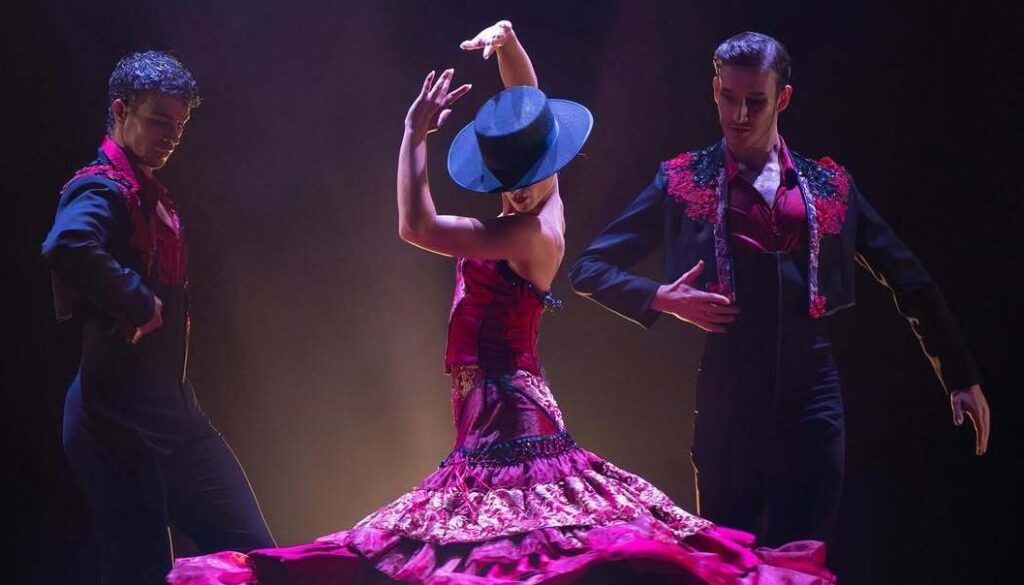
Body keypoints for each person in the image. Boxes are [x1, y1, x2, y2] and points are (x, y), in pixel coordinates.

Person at [169, 22, 833, 584]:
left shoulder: (524, 233)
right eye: (509, 180)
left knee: (498, 552)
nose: (515, 190)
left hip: (507, 413)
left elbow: (415, 226)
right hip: (496, 405)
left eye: (522, 177)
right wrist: (508, 40)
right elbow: (528, 100)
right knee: (498, 551)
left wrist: (413, 133)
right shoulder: (542, 199)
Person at [569, 31, 990, 546]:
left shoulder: (828, 186)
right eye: (728, 98)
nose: (739, 115)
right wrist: (662, 297)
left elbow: (905, 273)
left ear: (783, 99)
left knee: (801, 559)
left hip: (812, 397)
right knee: (731, 559)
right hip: (729, 398)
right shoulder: (684, 179)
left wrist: (958, 373)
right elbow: (589, 267)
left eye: (755, 101)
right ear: (714, 89)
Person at [42, 50, 275, 584]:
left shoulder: (145, 189)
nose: (171, 135)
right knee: (141, 575)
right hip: (113, 426)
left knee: (257, 558)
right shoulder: (100, 185)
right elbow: (68, 243)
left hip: (173, 417)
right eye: (158, 121)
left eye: (181, 125)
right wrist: (136, 298)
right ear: (121, 111)